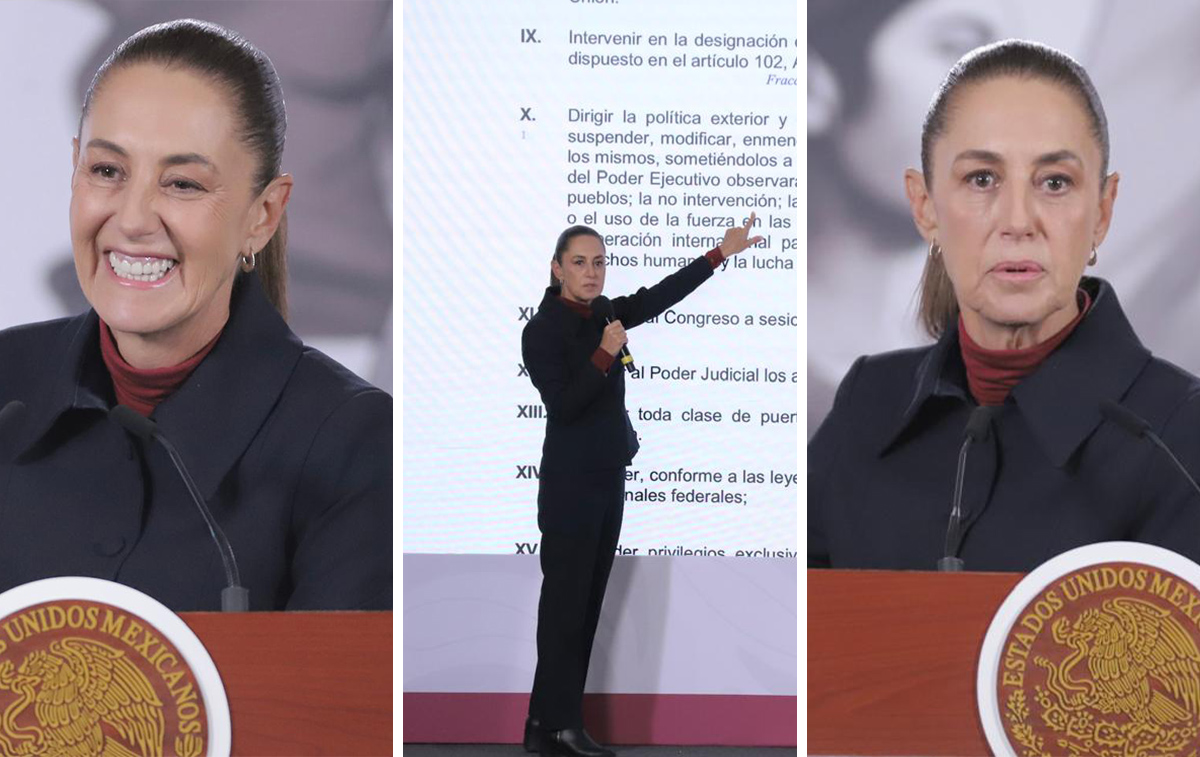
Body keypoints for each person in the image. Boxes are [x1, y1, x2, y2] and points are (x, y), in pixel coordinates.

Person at [0, 20, 390, 611]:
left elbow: (329, 700)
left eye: (182, 184)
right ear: (75, 166)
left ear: (263, 213)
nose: (132, 219)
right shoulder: (7, 387)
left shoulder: (349, 441)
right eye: (107, 171)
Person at [809, 39, 1200, 571]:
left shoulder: (1178, 435)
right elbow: (771, 631)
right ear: (925, 207)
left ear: (1102, 212)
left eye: (1055, 182)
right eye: (982, 179)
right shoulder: (867, 404)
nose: (1018, 220)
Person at [521, 220, 762, 757]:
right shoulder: (543, 330)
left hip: (608, 477)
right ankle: (559, 726)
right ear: (557, 268)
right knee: (564, 608)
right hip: (569, 487)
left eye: (599, 262)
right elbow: (565, 406)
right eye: (580, 262)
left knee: (583, 607)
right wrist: (605, 352)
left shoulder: (606, 312)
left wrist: (719, 254)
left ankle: (545, 724)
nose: (591, 272)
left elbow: (658, 297)